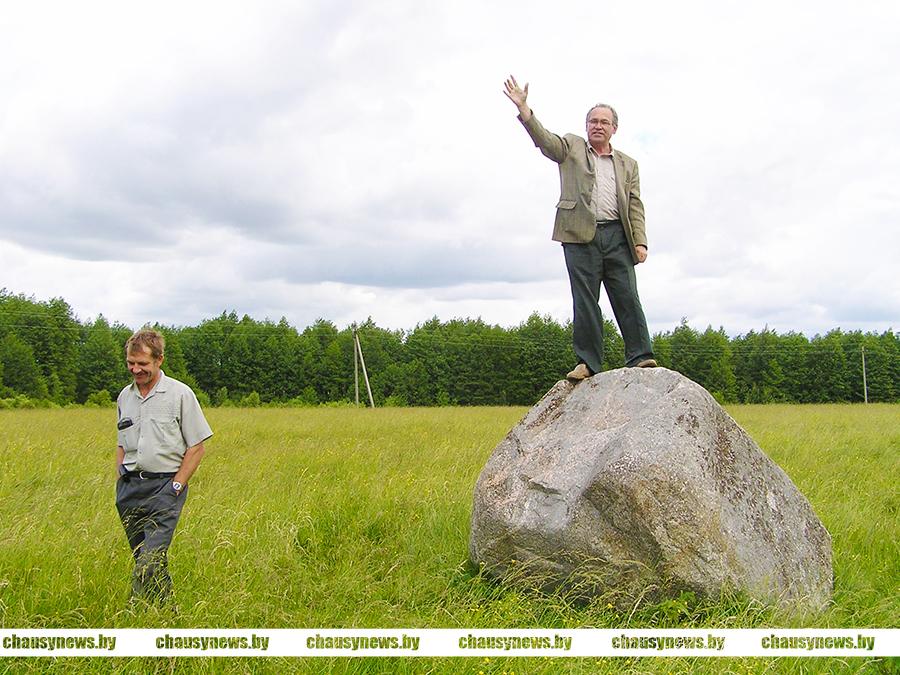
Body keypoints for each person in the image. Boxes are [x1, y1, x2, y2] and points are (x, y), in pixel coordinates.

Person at [503, 75, 657, 380]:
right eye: (592, 121)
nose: (597, 126)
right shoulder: (572, 147)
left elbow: (635, 204)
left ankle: (640, 356)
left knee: (627, 296)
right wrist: (525, 109)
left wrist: (640, 242)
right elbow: (545, 142)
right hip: (579, 236)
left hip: (617, 237)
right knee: (585, 300)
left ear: (615, 128)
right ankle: (588, 364)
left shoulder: (629, 164)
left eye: (604, 122)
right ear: (586, 126)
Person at [114, 328, 212, 605]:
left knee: (148, 560)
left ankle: (133, 613)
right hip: (130, 489)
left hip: (165, 488)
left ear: (159, 360)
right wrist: (120, 479)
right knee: (146, 556)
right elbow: (122, 443)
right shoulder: (125, 397)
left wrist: (176, 486)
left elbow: (197, 447)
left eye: (142, 364)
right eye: (131, 363)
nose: (136, 369)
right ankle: (167, 613)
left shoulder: (180, 394)